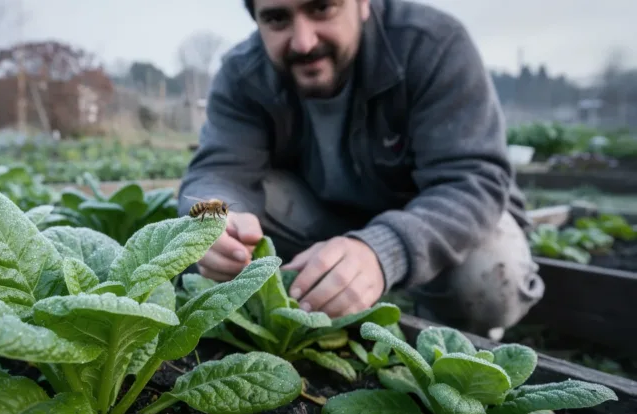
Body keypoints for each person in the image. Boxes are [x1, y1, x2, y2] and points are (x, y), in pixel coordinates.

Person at [177, 0, 545, 339]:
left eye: (321, 8)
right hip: (323, 220)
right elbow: (220, 169)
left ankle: (448, 339)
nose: (303, 42)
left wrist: (384, 249)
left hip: (426, 224)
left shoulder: (432, 44)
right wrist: (216, 220)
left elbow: (473, 181)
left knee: (491, 274)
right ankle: (309, 304)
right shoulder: (243, 72)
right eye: (277, 18)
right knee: (203, 219)